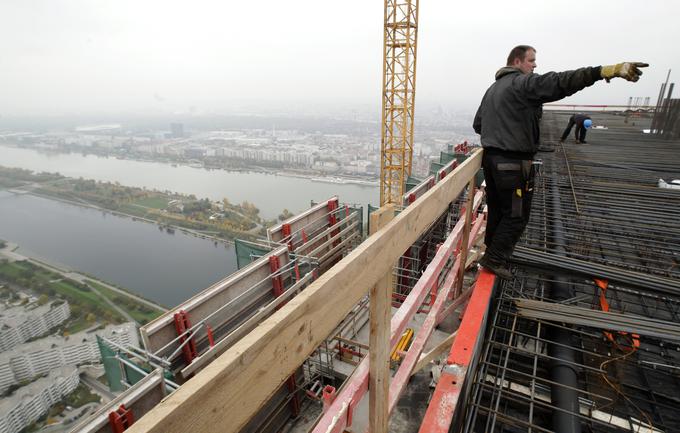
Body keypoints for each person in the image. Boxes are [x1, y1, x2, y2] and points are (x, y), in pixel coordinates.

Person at [473, 45, 647, 279]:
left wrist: (511, 128)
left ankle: (493, 253)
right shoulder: (522, 84)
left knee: (499, 211)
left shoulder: (493, 89)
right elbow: (559, 82)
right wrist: (602, 71)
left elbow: (478, 125)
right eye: (531, 61)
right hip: (513, 165)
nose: (534, 66)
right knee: (516, 215)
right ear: (517, 62)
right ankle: (495, 259)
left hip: (492, 162)